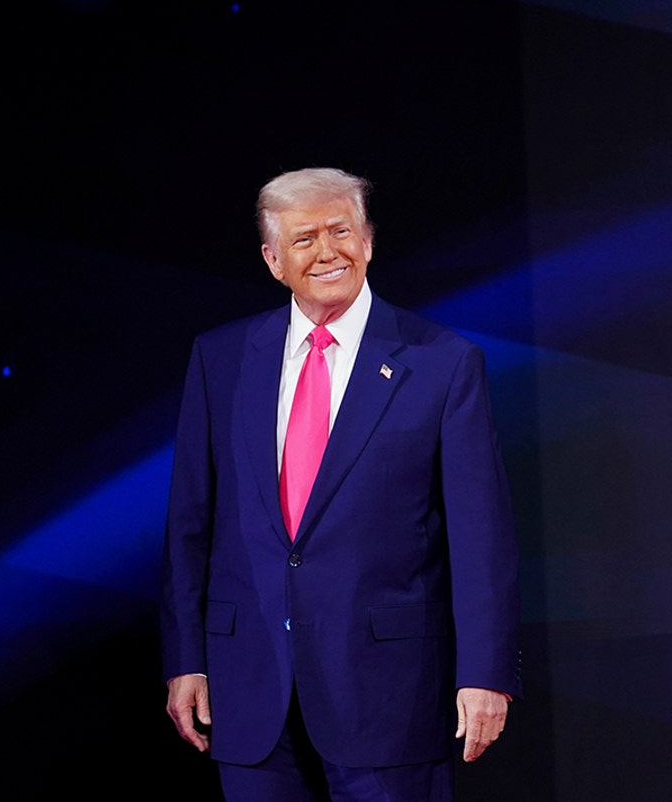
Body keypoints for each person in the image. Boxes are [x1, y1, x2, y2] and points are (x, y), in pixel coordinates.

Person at [161, 167, 521, 801]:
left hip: (390, 693)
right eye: (305, 239)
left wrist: (485, 673)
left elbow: (479, 535)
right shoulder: (220, 359)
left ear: (369, 242)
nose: (327, 251)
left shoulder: (441, 363)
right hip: (248, 685)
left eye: (341, 231)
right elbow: (191, 521)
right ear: (274, 260)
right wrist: (185, 656)